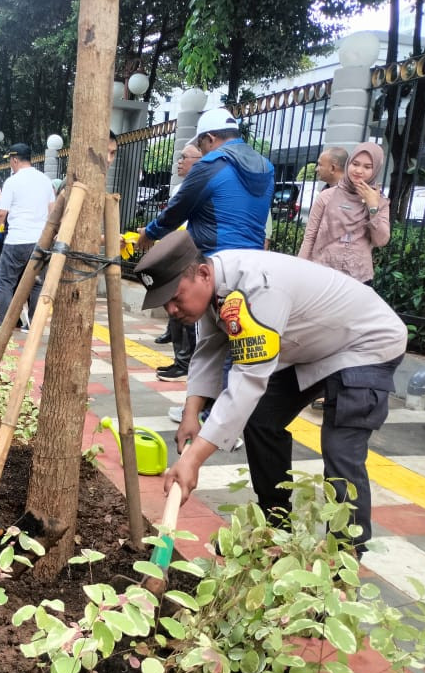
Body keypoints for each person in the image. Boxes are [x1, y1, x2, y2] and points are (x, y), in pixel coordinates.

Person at [138, 230, 405, 555]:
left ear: (203, 274)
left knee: (340, 449)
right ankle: (275, 526)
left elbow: (248, 381)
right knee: (261, 417)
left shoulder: (257, 288)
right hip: (318, 346)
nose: (171, 310)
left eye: (175, 298)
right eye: (164, 302)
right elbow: (209, 348)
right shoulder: (215, 287)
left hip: (367, 344)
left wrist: (193, 460)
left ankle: (345, 560)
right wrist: (191, 415)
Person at [136, 108, 274, 255]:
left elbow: (177, 210)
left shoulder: (211, 165)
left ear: (210, 138)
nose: (201, 153)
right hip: (252, 262)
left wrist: (150, 233)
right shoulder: (267, 168)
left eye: (200, 145)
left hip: (215, 263)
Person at [298, 141, 390, 285]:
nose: (359, 170)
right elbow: (310, 236)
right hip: (322, 273)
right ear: (348, 164)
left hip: (358, 277)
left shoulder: (380, 202)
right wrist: (299, 270)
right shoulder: (326, 196)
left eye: (367, 167)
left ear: (376, 169)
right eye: (355, 164)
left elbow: (381, 241)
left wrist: (373, 207)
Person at [0, 143, 55, 332]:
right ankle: (32, 324)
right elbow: (52, 211)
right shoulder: (45, 180)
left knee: (6, 283)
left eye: (10, 161)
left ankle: (2, 322)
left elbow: (0, 214)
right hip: (40, 241)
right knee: (36, 283)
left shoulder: (13, 181)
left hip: (16, 241)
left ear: (15, 160)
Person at [155, 143, 205, 381]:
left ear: (200, 159)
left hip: (193, 257)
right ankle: (180, 360)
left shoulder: (206, 184)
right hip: (177, 255)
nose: (179, 162)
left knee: (188, 313)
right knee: (174, 312)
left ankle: (189, 363)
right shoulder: (178, 189)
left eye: (184, 157)